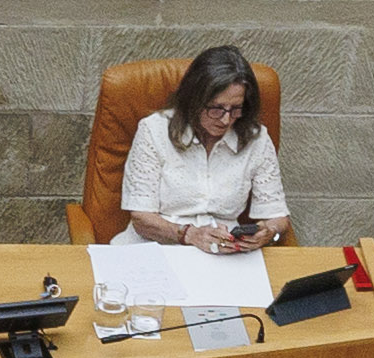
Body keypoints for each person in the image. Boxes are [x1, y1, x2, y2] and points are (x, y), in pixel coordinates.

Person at [118, 47, 286, 254]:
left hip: (226, 251)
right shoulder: (154, 130)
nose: (226, 119)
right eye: (216, 108)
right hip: (156, 247)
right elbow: (141, 218)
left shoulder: (257, 139)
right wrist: (188, 234)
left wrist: (269, 232)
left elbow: (277, 216)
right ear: (193, 100)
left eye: (235, 109)